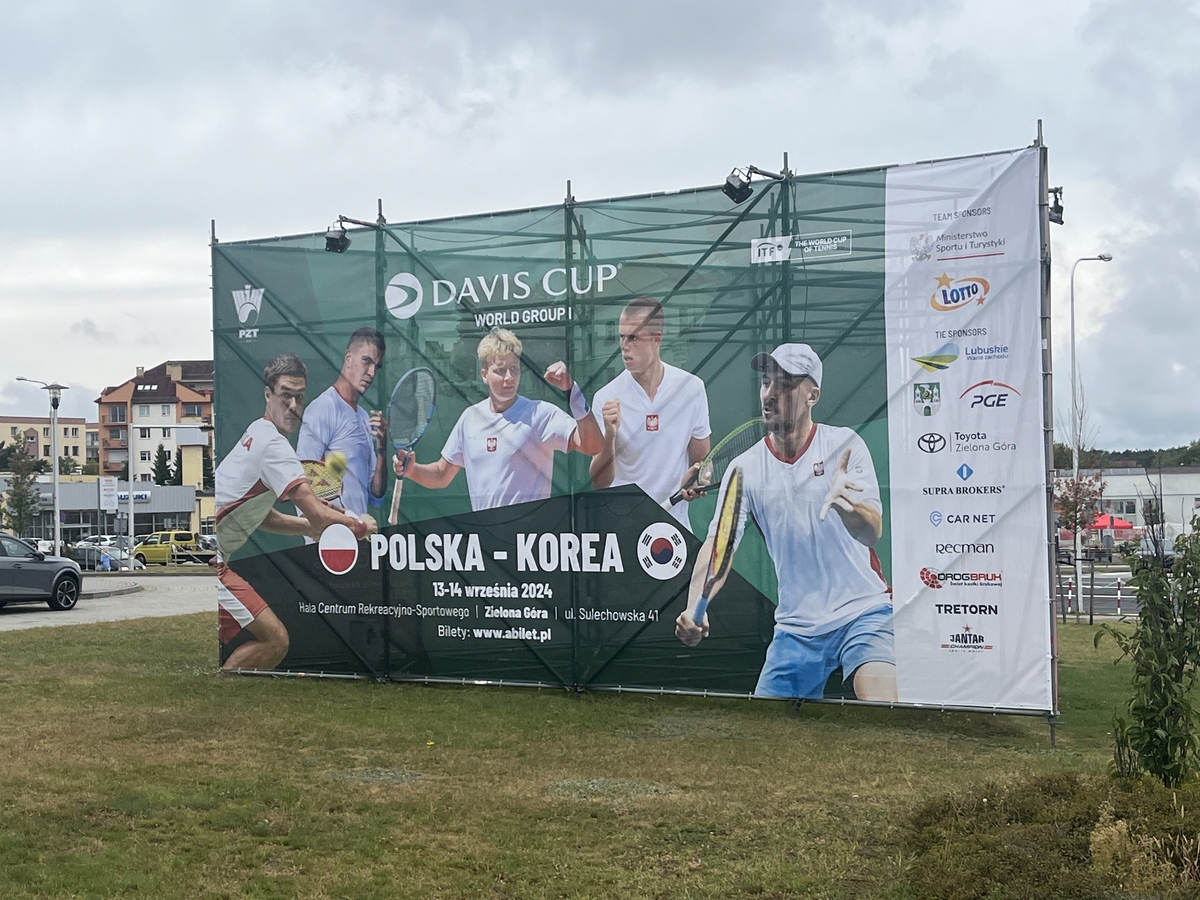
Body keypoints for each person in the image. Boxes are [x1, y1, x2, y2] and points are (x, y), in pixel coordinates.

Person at [674, 343, 897, 702]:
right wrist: (693, 608)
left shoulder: (845, 445)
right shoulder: (743, 469)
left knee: (884, 710)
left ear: (813, 395)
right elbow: (719, 547)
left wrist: (848, 507)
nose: (771, 394)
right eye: (766, 382)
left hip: (864, 613)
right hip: (796, 631)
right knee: (766, 738)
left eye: (786, 384)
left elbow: (872, 532)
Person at [216, 352, 377, 671]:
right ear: (268, 394)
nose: (293, 405)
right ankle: (222, 697)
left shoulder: (257, 431)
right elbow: (317, 514)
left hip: (212, 553)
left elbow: (259, 515)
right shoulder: (274, 446)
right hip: (213, 561)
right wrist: (358, 525)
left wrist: (306, 528)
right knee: (275, 640)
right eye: (285, 395)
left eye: (299, 397)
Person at [395, 327, 603, 511]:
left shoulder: (540, 413)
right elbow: (441, 473)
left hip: (531, 545)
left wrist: (572, 392)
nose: (509, 378)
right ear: (484, 375)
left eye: (514, 369)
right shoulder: (470, 418)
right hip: (487, 543)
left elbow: (592, 445)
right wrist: (412, 470)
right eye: (500, 371)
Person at [589, 297, 711, 528]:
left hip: (674, 530)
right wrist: (610, 435)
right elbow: (599, 482)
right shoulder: (605, 398)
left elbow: (701, 461)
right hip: (623, 530)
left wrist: (698, 478)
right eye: (621, 337)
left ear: (656, 339)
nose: (624, 346)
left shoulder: (692, 389)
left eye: (633, 337)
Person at [296, 327, 388, 516]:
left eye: (376, 366)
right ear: (348, 359)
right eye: (366, 361)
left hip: (358, 535)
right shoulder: (323, 408)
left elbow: (376, 492)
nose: (371, 373)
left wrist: (382, 452)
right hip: (327, 539)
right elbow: (302, 482)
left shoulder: (364, 417)